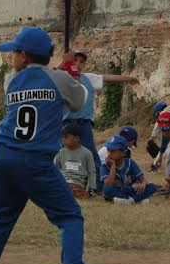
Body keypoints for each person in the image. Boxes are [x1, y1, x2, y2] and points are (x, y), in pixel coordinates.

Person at [0, 27, 105, 264]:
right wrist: (70, 73)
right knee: (70, 216)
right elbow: (79, 100)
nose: (12, 59)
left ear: (23, 55)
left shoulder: (12, 81)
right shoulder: (59, 79)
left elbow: (40, 79)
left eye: (15, 53)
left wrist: (62, 70)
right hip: (35, 161)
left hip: (4, 157)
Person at [62, 49, 139, 180]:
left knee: (91, 155)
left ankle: (98, 183)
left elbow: (107, 77)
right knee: (63, 155)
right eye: (75, 60)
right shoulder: (62, 77)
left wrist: (128, 78)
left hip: (84, 124)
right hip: (67, 123)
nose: (78, 64)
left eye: (82, 62)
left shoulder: (89, 78)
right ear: (69, 61)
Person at [100, 135, 158, 205]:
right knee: (107, 189)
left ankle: (129, 201)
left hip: (131, 189)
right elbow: (109, 183)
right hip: (117, 191)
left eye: (113, 151)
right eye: (108, 150)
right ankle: (138, 200)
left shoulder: (130, 163)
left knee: (151, 187)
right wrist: (113, 166)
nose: (109, 154)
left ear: (123, 153)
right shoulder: (104, 166)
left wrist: (142, 184)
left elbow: (143, 179)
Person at [54, 124, 97, 199]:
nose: (63, 139)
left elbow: (92, 173)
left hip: (78, 183)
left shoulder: (87, 153)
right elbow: (54, 170)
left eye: (66, 137)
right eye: (62, 137)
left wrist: (91, 190)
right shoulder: (60, 152)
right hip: (63, 181)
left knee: (73, 189)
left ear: (77, 138)